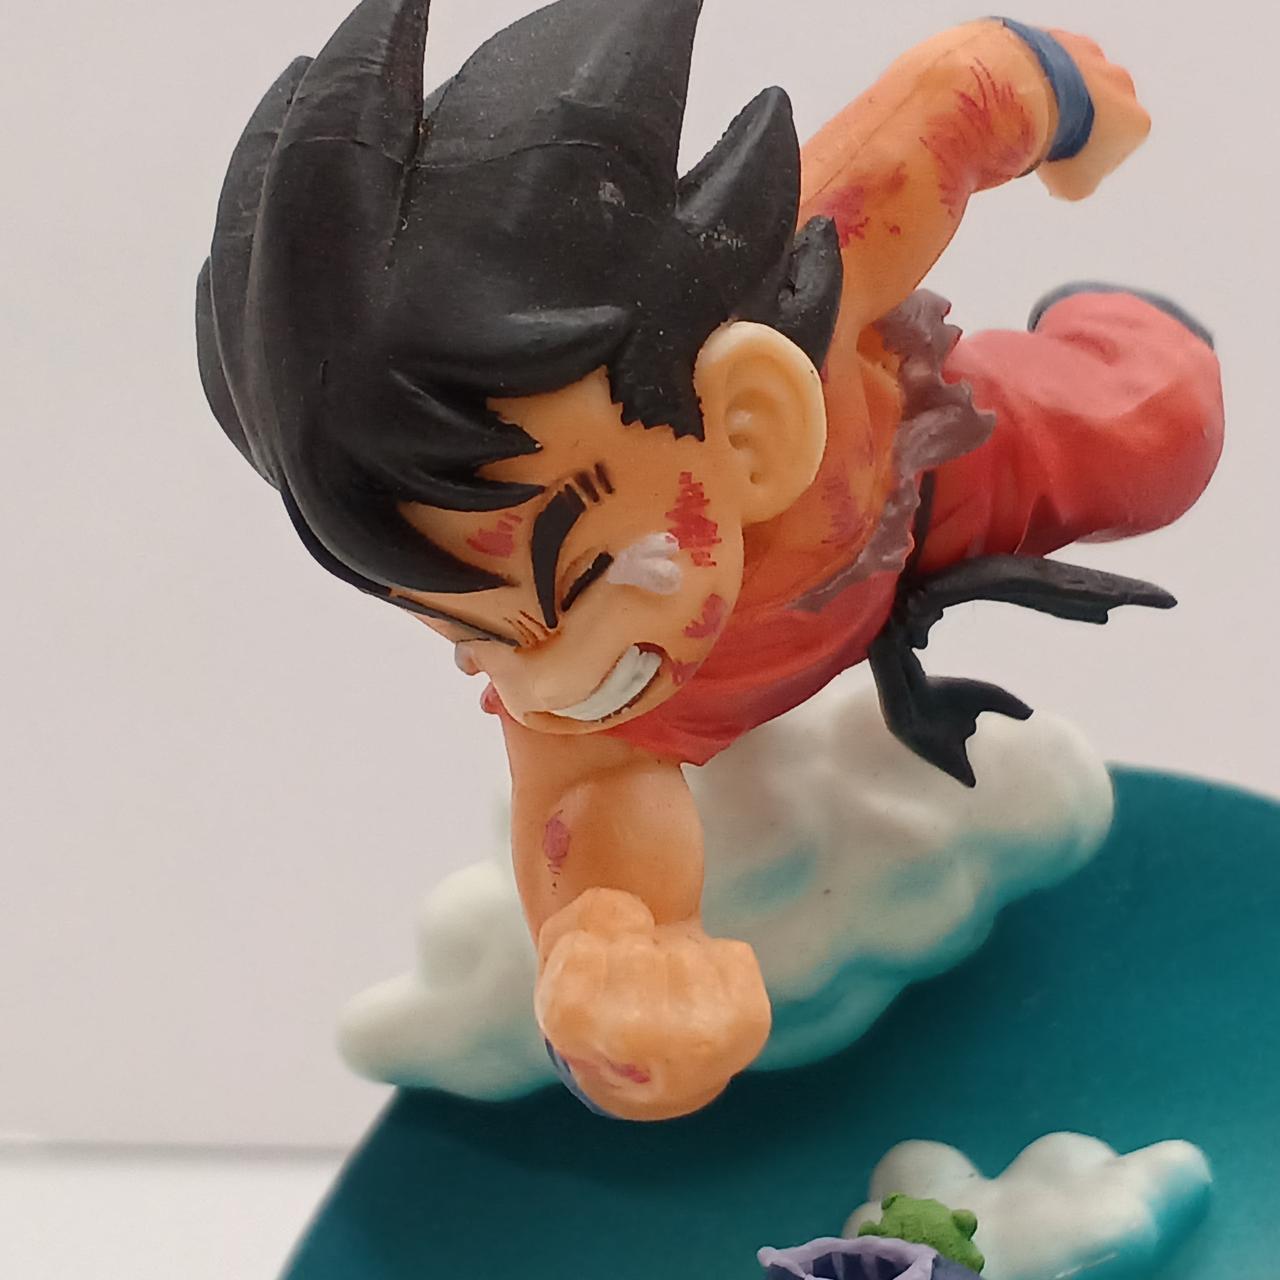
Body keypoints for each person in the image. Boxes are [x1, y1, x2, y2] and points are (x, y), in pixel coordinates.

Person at [197, 0, 1224, 1120]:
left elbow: (955, 96)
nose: (544, 681)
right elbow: (598, 859)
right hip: (753, 658)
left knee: (1162, 427)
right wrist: (620, 978)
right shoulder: (589, 716)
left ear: (747, 423)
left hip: (918, 477)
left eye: (576, 587)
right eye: (469, 634)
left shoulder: (819, 261)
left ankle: (1107, 318)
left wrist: (1066, 99)